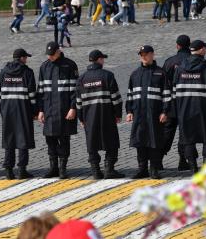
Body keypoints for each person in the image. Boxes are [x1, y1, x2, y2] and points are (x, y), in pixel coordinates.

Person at [76, 50, 124, 179]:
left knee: (92, 144)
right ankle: (109, 169)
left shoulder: (82, 78)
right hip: (107, 116)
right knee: (112, 143)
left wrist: (81, 118)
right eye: (102, 59)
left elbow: (78, 102)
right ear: (98, 60)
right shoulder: (107, 75)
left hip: (89, 118)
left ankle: (95, 171)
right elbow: (116, 98)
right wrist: (118, 114)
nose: (103, 61)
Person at [126, 45, 171, 179]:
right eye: (141, 54)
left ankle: (154, 169)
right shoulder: (135, 74)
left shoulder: (161, 73)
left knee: (155, 142)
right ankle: (142, 169)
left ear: (152, 54)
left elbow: (167, 94)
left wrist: (165, 111)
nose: (143, 57)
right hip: (139, 115)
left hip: (155, 115)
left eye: (146, 54)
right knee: (140, 142)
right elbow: (130, 94)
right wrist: (129, 111)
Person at [173, 40, 206, 173]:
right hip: (205, 110)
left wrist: (178, 110)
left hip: (185, 111)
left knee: (187, 139)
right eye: (205, 48)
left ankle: (192, 166)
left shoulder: (180, 68)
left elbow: (174, 92)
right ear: (201, 50)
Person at [38, 42, 78, 179]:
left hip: (64, 110)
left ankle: (62, 169)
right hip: (49, 110)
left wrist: (73, 107)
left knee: (64, 140)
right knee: (50, 140)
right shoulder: (44, 67)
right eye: (48, 55)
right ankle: (53, 168)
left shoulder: (70, 65)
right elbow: (41, 91)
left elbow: (75, 90)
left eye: (52, 54)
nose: (50, 57)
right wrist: (41, 110)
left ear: (58, 51)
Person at [0, 49, 37, 180]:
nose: (26, 60)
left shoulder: (4, 72)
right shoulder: (27, 72)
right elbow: (32, 95)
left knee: (9, 140)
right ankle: (21, 170)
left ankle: (8, 171)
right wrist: (34, 112)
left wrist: (2, 109)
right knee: (23, 139)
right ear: (21, 58)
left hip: (7, 110)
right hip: (23, 110)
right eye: (25, 57)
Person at [161, 35, 191, 171]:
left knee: (167, 132)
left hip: (171, 103)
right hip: (188, 103)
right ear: (189, 46)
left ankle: (158, 159)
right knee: (185, 133)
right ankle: (182, 160)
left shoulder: (169, 62)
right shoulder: (192, 61)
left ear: (177, 46)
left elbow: (162, 83)